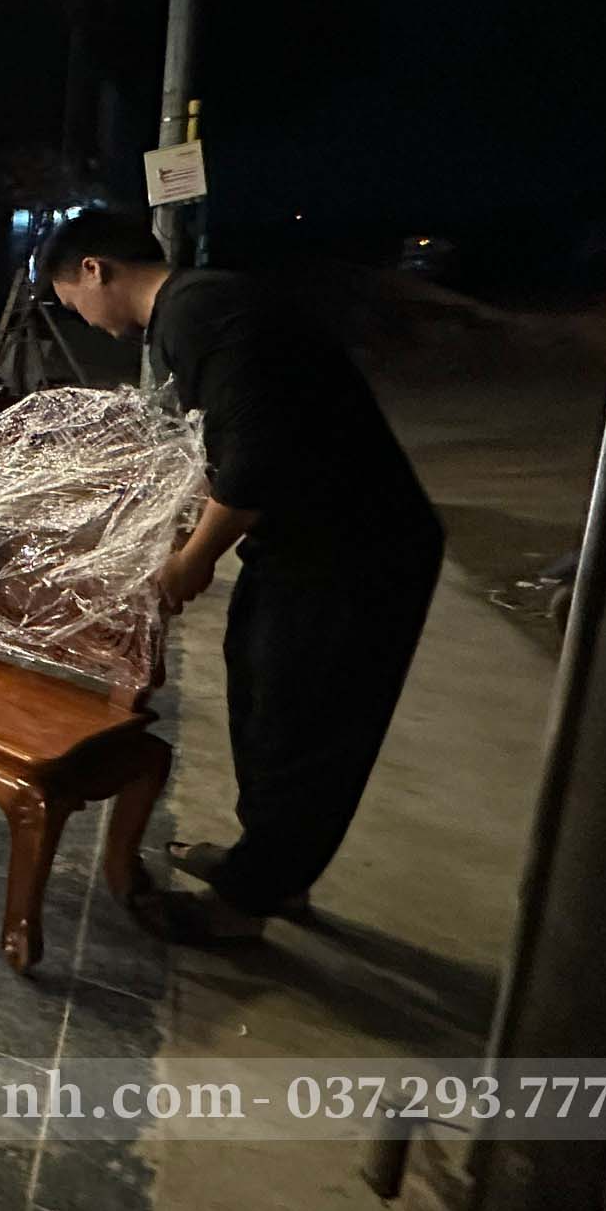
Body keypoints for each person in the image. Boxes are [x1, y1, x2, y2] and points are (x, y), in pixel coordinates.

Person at [39, 209, 443, 942]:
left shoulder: (201, 311)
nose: (86, 322)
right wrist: (168, 530)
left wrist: (193, 560)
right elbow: (214, 449)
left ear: (95, 269)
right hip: (302, 541)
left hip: (358, 550)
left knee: (305, 721)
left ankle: (248, 905)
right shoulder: (190, 313)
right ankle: (265, 866)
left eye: (74, 304)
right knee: (261, 693)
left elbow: (255, 457)